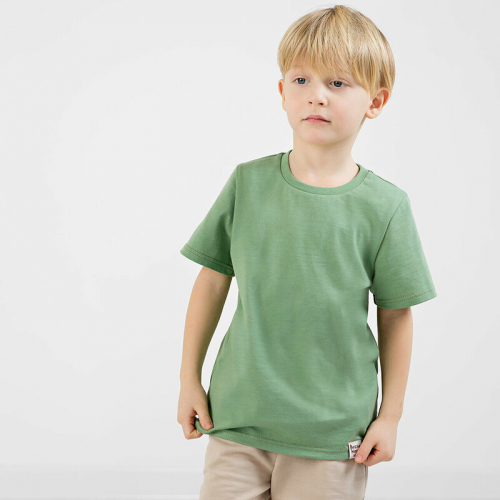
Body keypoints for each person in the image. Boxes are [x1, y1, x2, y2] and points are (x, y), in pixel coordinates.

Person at [177, 5, 437, 499]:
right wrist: (189, 378)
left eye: (337, 83)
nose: (316, 95)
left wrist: (390, 417)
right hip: (236, 420)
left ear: (375, 101)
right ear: (282, 92)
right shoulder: (247, 184)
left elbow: (396, 314)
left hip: (332, 436)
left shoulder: (386, 207)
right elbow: (211, 281)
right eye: (301, 79)